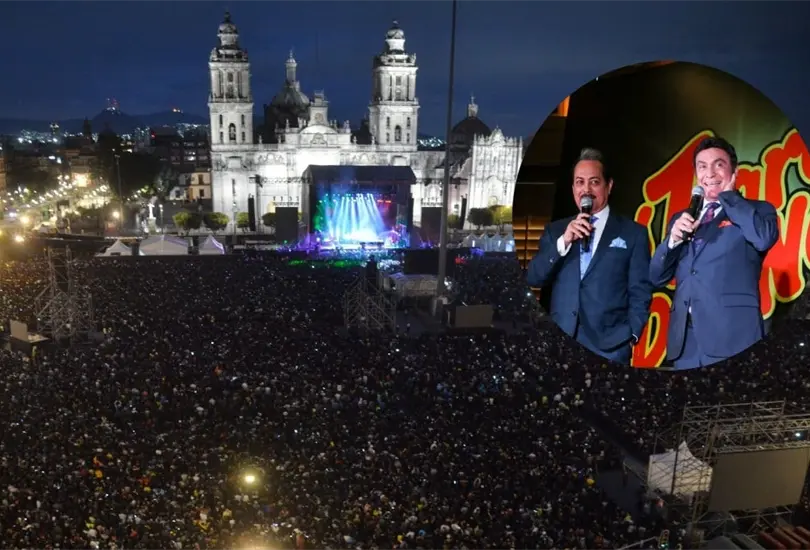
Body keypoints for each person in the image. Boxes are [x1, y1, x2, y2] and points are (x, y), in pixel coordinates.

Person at [649, 136, 779, 370]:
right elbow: (656, 277)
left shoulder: (758, 210)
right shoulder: (682, 218)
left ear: (734, 171)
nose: (709, 173)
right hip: (685, 343)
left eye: (718, 165)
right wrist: (672, 241)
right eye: (702, 166)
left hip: (733, 337)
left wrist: (729, 198)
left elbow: (763, 239)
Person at [527, 148, 653, 363]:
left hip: (611, 346)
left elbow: (640, 290)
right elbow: (534, 277)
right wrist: (564, 241)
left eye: (594, 182)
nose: (586, 189)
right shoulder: (556, 231)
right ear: (573, 188)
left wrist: (632, 334)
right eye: (579, 182)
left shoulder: (633, 234)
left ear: (608, 186)